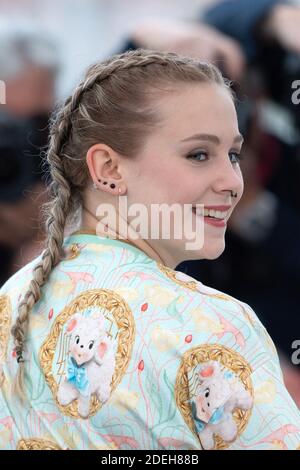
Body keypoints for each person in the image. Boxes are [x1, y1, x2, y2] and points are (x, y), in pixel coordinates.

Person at [0, 49, 299, 451]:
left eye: (233, 155)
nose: (233, 181)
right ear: (108, 168)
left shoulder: (12, 300)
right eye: (198, 154)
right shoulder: (209, 323)